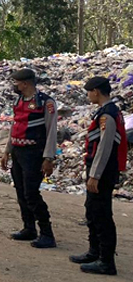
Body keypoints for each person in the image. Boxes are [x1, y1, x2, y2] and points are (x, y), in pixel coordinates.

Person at [69, 76, 128, 276]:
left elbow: (105, 147)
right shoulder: (107, 111)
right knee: (92, 210)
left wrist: (94, 175)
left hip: (102, 171)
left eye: (89, 92)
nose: (88, 95)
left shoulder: (108, 114)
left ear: (96, 91)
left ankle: (106, 261)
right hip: (100, 169)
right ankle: (95, 252)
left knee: (101, 214)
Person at [0, 68, 58, 249]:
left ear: (25, 83)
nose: (14, 86)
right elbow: (15, 126)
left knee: (31, 193)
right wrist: (7, 151)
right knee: (20, 191)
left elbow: (51, 131)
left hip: (34, 153)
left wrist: (48, 157)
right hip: (18, 152)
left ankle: (47, 233)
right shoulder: (19, 100)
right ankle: (29, 227)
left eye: (16, 82)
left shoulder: (45, 102)